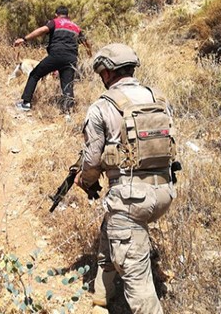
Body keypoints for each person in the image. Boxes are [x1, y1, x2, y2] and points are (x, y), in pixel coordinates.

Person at [75, 43, 177, 314]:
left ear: (107, 73)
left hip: (131, 200)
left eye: (101, 73)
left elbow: (92, 160)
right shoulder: (159, 98)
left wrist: (85, 181)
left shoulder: (100, 107)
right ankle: (101, 296)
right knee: (111, 229)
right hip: (164, 193)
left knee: (139, 284)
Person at [13, 5, 92, 113]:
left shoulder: (55, 22)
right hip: (71, 58)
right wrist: (90, 54)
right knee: (67, 84)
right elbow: (86, 42)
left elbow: (42, 30)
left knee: (35, 75)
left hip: (56, 56)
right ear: (68, 15)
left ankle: (26, 103)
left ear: (56, 14)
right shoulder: (75, 26)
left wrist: (24, 39)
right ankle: (68, 111)